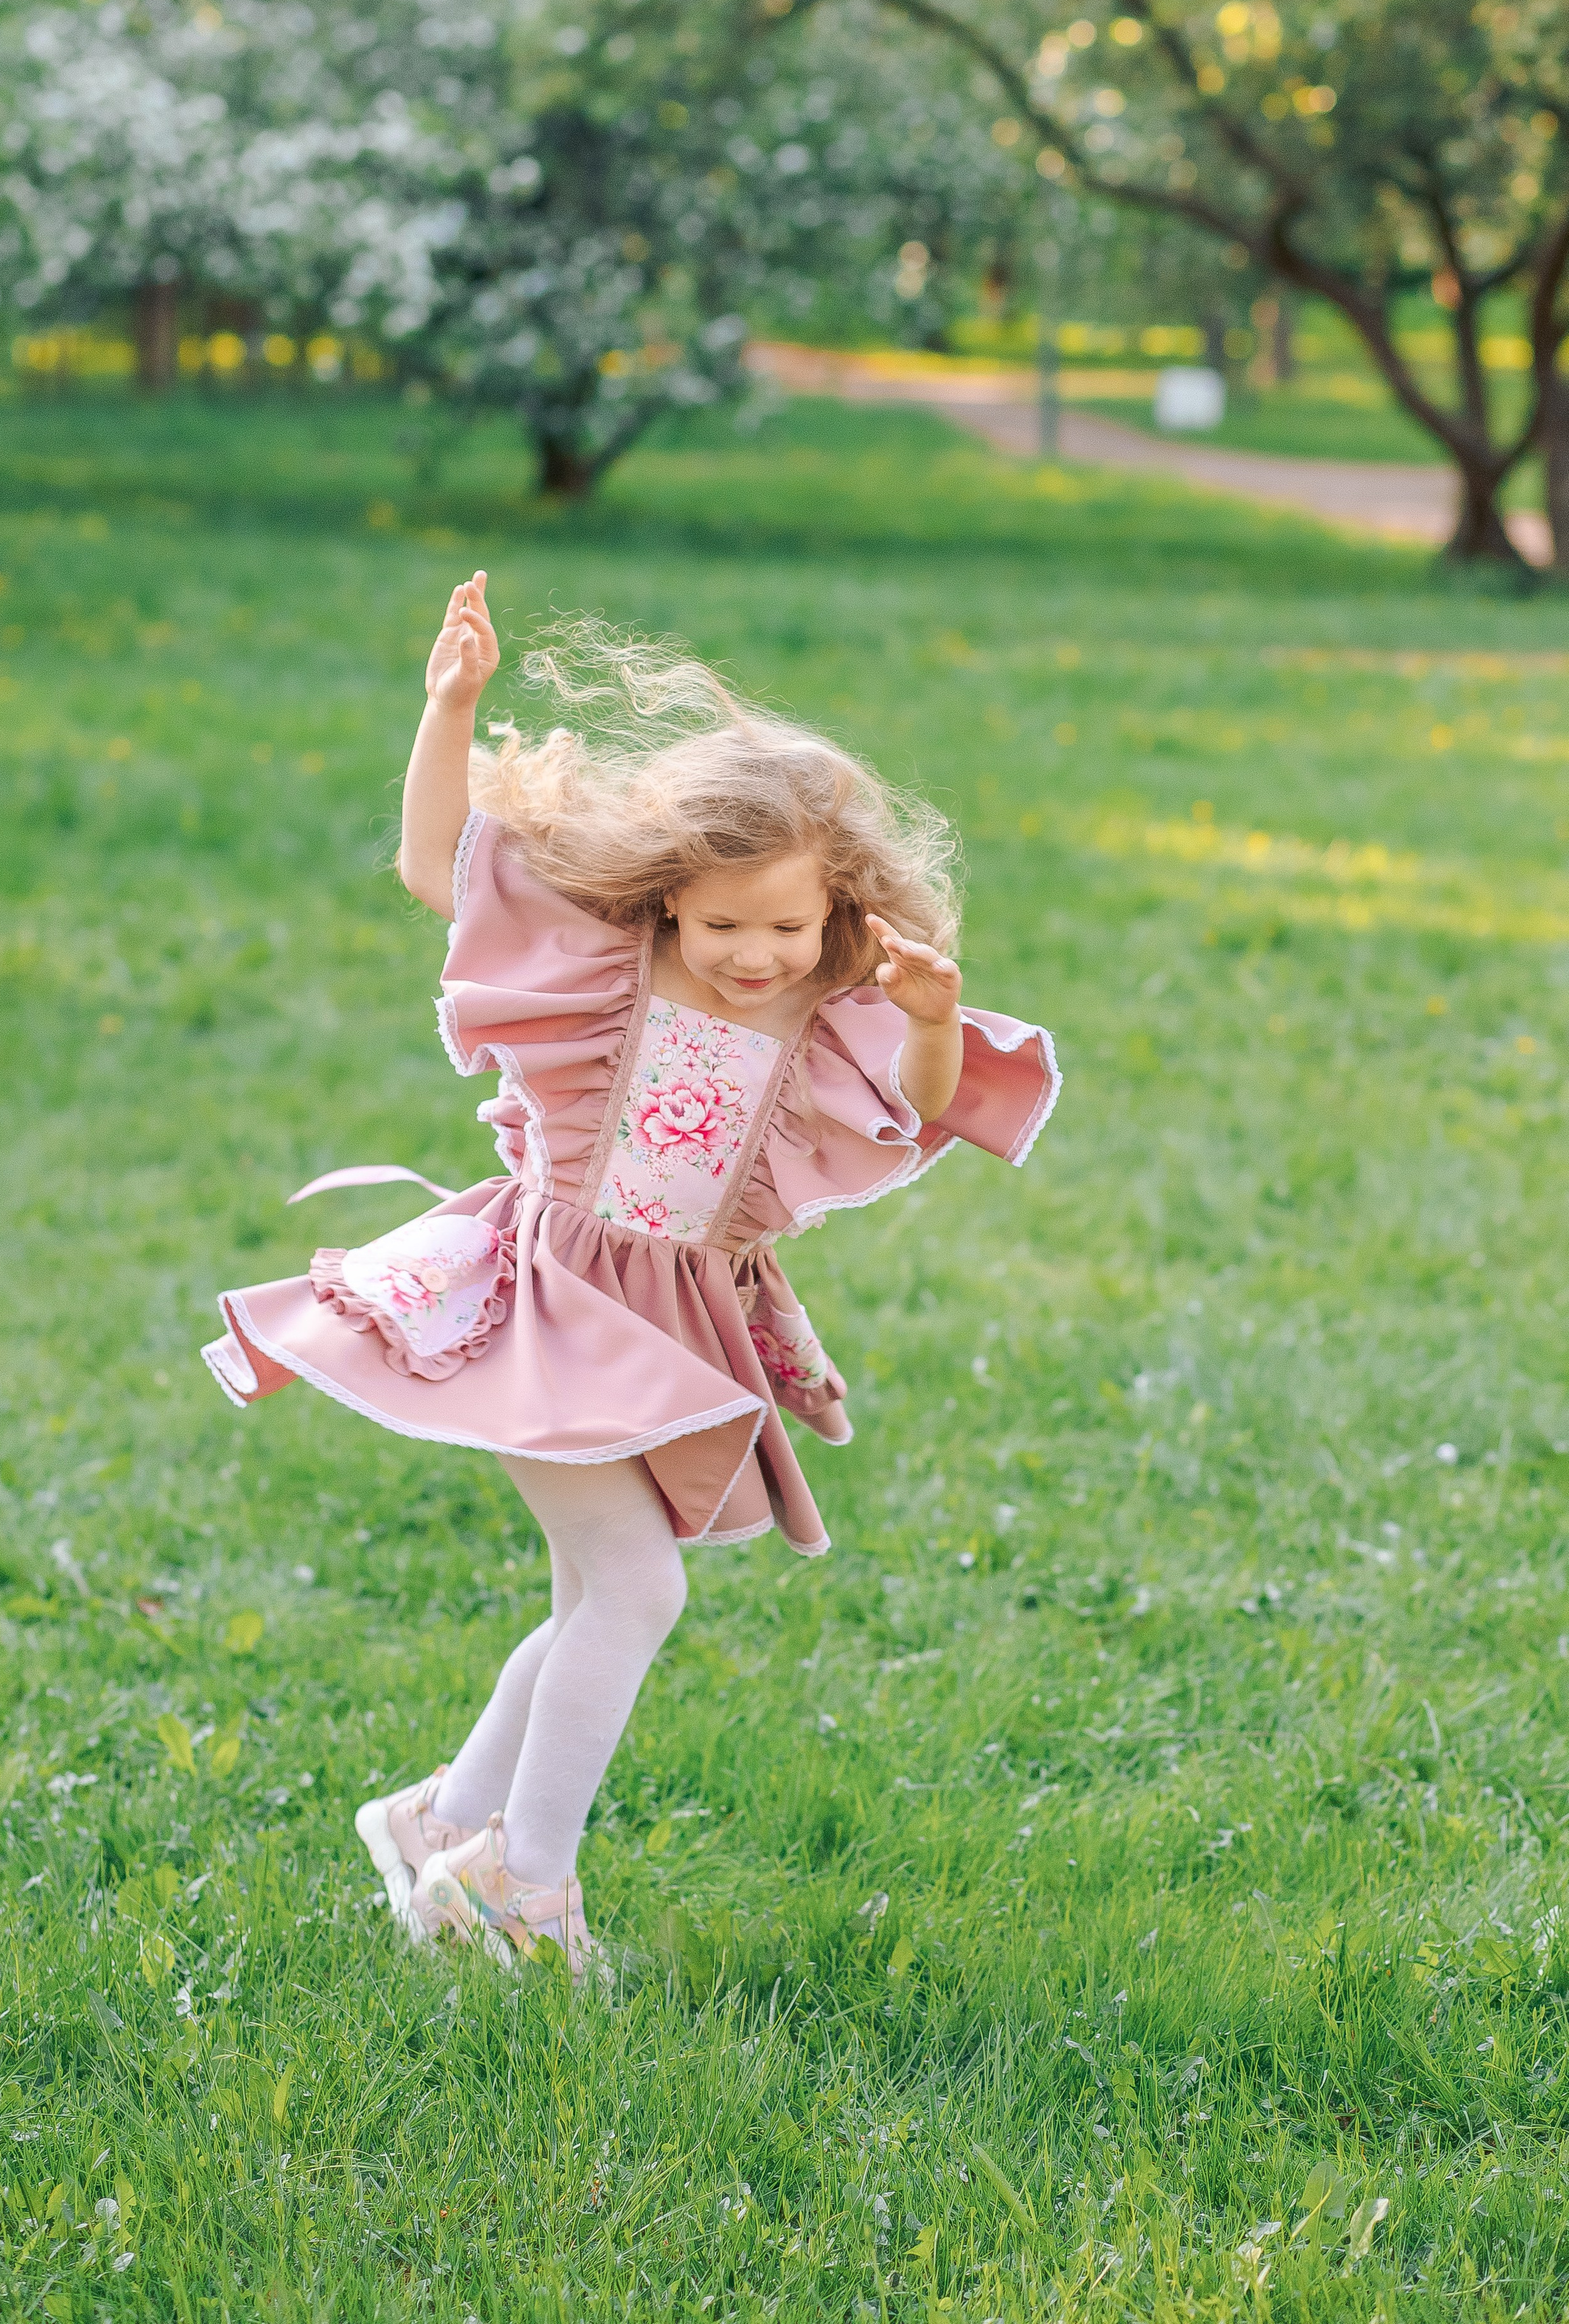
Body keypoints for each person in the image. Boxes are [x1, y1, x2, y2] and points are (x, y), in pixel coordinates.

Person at [202, 573, 1059, 1977]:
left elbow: (917, 1107)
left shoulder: (826, 1009)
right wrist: (451, 709)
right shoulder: (603, 964)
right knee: (634, 1592)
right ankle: (519, 1888)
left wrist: (931, 1017)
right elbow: (440, 869)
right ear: (665, 900)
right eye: (719, 927)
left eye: (782, 929)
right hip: (545, 1302)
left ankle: (441, 1821)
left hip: (675, 1320)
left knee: (593, 1597)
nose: (749, 955)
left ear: (835, 908)